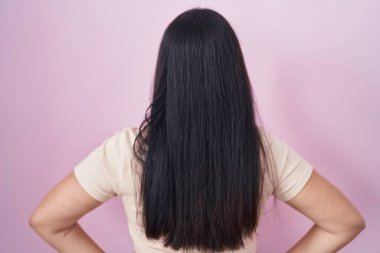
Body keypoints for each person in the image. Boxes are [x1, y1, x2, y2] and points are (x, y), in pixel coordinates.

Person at [29, 7, 365, 253]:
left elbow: (48, 221)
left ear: (168, 76)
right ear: (233, 77)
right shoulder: (262, 151)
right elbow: (344, 223)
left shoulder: (125, 150)